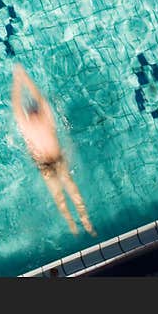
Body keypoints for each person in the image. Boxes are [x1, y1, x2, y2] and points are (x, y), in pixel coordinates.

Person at [10, 63, 97, 236]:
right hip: (44, 166)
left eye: (35, 110)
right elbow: (16, 106)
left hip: (58, 160)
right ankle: (70, 222)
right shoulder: (26, 125)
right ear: (30, 112)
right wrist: (18, 81)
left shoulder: (46, 118)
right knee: (58, 195)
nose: (33, 112)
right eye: (32, 111)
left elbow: (39, 98)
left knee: (72, 189)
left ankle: (85, 219)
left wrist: (24, 77)